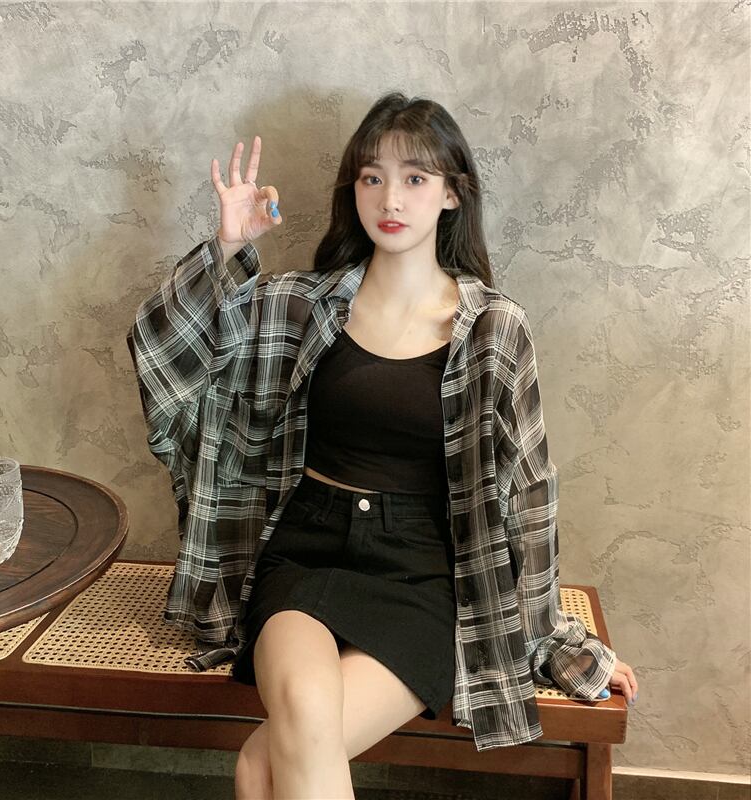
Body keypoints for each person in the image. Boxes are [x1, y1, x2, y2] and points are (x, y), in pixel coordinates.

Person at [127, 91, 638, 800]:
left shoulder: (494, 330)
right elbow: (166, 358)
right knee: (296, 719)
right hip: (305, 553)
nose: (390, 198)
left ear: (453, 194)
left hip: (423, 573)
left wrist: (552, 636)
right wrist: (228, 249)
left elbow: (529, 494)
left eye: (414, 178)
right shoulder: (298, 305)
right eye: (372, 177)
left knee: (260, 765)